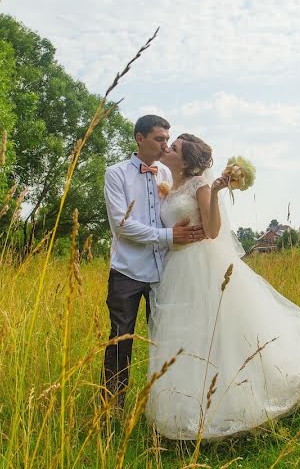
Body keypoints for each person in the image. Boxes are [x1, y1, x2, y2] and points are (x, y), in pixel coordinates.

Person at [146, 134, 300, 440]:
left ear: (185, 161)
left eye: (174, 148)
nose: (168, 148)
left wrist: (213, 192)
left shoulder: (200, 185)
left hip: (202, 264)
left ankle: (232, 404)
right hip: (177, 269)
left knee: (217, 333)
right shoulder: (170, 186)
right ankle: (184, 409)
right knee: (187, 336)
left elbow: (212, 231)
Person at [101, 116, 205, 415]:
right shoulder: (116, 174)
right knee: (120, 341)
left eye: (167, 139)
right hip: (128, 272)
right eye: (159, 139)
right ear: (139, 138)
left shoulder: (169, 172)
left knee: (168, 340)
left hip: (167, 272)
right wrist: (169, 236)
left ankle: (169, 407)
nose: (165, 144)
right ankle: (112, 409)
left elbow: (191, 201)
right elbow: (122, 225)